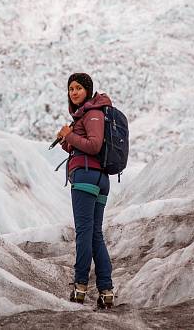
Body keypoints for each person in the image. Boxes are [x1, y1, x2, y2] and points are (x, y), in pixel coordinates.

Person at [56, 73, 115, 309]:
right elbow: (82, 146)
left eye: (79, 88)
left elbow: (94, 145)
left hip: (87, 178)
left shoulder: (93, 113)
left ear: (88, 90)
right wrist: (66, 140)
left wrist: (71, 135)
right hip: (98, 178)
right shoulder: (86, 114)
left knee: (84, 233)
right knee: (94, 235)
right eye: (71, 88)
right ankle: (106, 291)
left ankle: (80, 286)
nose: (74, 92)